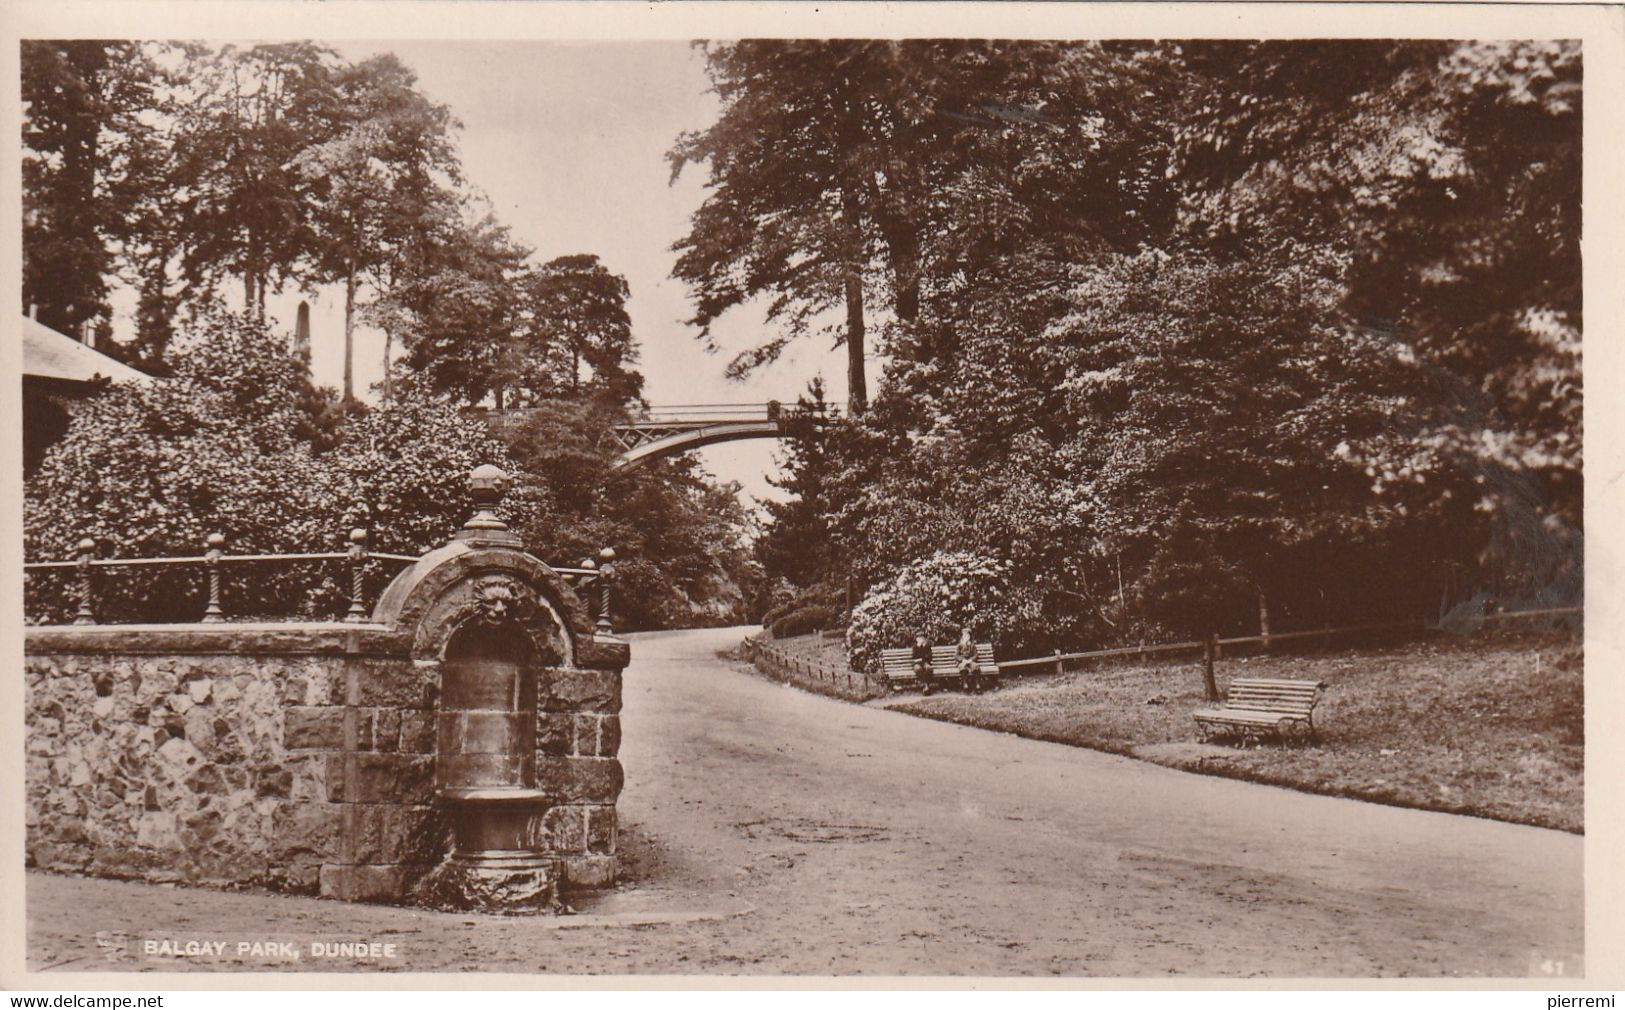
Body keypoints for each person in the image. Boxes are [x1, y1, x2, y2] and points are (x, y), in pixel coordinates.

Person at [956, 624, 982, 694]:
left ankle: (977, 685)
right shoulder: (960, 645)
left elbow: (976, 655)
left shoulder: (972, 645)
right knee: (962, 668)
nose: (966, 637)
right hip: (963, 661)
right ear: (962, 637)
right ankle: (965, 684)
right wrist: (962, 660)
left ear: (970, 637)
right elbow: (956, 655)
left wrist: (971, 660)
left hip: (970, 661)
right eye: (964, 636)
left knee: (976, 666)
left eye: (967, 636)